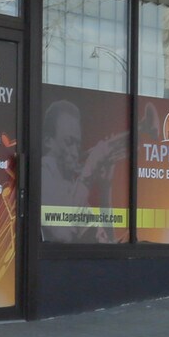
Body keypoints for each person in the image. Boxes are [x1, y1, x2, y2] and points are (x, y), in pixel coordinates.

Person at [40, 99, 126, 244]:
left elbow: (108, 242)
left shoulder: (72, 187)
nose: (75, 152)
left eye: (77, 145)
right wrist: (89, 171)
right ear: (48, 141)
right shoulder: (43, 175)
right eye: (69, 142)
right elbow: (63, 234)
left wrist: (105, 188)